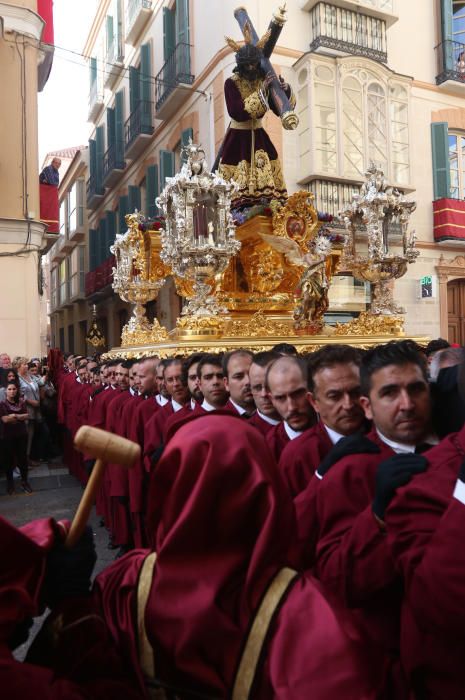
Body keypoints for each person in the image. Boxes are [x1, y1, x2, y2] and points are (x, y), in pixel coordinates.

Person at [95, 416, 380, 699]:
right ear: (266, 491)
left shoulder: (126, 584)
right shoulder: (307, 616)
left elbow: (85, 673)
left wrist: (67, 597)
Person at [312, 340, 437, 699]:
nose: (407, 404)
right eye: (390, 393)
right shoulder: (351, 471)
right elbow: (338, 581)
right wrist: (377, 516)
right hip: (386, 660)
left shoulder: (449, 453)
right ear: (367, 406)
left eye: (416, 389)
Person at [218, 38, 295, 209]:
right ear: (241, 65)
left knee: (270, 186)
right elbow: (236, 111)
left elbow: (278, 108)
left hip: (259, 136)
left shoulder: (264, 80)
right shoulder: (231, 83)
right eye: (248, 65)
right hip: (237, 139)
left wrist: (283, 89)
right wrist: (261, 93)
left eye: (254, 64)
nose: (252, 68)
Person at [280, 344, 365, 498]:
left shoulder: (388, 437)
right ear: (314, 402)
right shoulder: (298, 455)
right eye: (334, 396)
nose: (348, 405)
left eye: (355, 393)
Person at [265, 355, 316, 460]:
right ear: (271, 400)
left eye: (297, 394)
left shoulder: (338, 429)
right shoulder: (269, 448)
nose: (291, 407)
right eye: (280, 398)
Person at [0, 382, 30, 494]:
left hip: (21, 435)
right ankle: (10, 484)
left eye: (14, 389)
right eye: (9, 389)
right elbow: (5, 420)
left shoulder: (21, 402)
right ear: (6, 391)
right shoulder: (2, 404)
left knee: (23, 460)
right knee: (8, 460)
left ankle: (24, 482)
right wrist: (19, 417)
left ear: (17, 390)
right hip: (8, 436)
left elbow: (27, 415)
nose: (12, 391)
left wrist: (15, 416)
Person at [248, 350, 281, 435]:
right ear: (251, 389)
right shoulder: (246, 432)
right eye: (257, 388)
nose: (264, 394)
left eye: (270, 386)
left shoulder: (312, 421)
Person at [222, 349, 255, 416]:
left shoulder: (276, 416)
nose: (248, 381)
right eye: (238, 376)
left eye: (252, 374)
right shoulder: (219, 420)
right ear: (226, 383)